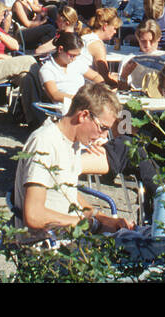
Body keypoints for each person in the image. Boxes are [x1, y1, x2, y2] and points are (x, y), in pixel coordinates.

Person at [13, 84, 135, 234]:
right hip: (47, 244)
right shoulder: (45, 142)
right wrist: (91, 225)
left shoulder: (72, 142)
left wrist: (102, 218)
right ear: (83, 116)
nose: (104, 137)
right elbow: (34, 216)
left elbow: (67, 191)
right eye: (103, 128)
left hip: (66, 234)